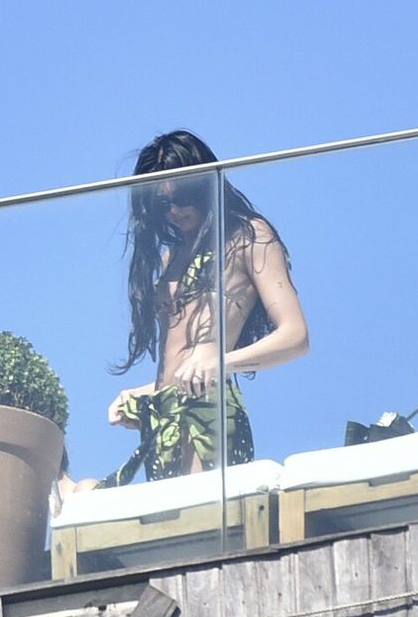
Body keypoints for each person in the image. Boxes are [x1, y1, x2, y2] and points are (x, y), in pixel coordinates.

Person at [101, 130, 308, 486]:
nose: (174, 211)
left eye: (181, 197)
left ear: (203, 185)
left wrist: (220, 361)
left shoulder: (247, 237)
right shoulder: (172, 257)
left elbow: (296, 336)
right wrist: (144, 393)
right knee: (169, 516)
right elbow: (180, 360)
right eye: (162, 204)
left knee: (201, 512)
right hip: (165, 417)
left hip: (207, 413)